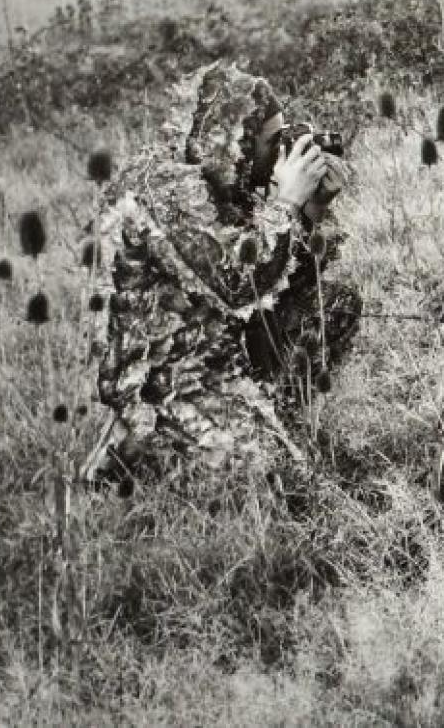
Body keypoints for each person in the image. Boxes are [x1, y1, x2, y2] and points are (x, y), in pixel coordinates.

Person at [80, 62, 359, 483]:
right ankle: (135, 447)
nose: (276, 155)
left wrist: (312, 209)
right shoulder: (165, 190)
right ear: (232, 139)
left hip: (224, 345)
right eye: (268, 142)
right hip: (169, 376)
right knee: (274, 475)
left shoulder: (224, 183)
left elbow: (286, 284)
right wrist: (285, 204)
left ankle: (272, 415)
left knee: (332, 304)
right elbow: (238, 285)